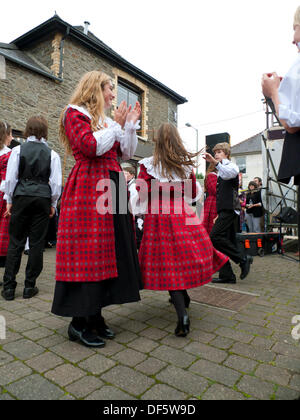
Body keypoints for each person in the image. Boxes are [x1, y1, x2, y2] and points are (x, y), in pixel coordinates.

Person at [51, 70, 142, 348]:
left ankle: (95, 315)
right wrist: (115, 125)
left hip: (113, 183)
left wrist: (128, 126)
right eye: (109, 88)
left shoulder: (105, 120)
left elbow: (125, 153)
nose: (113, 95)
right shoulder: (74, 112)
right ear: (95, 88)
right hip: (90, 183)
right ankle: (78, 322)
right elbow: (89, 147)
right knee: (90, 249)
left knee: (113, 248)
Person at [136, 123, 229, 338]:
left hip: (159, 215)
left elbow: (141, 192)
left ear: (156, 140)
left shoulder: (147, 165)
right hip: (183, 214)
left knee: (169, 263)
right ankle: (184, 298)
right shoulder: (184, 166)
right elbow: (194, 194)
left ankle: (182, 316)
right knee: (182, 257)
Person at [1, 116, 62, 301]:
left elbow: (11, 179)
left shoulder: (17, 150)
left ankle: (9, 288)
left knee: (16, 241)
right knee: (36, 243)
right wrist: (53, 204)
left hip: (21, 196)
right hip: (43, 197)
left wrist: (9, 200)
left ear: (27, 130)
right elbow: (56, 183)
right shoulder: (52, 154)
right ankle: (29, 286)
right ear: (45, 131)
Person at [204, 143, 253, 284]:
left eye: (219, 152)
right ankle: (228, 275)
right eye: (215, 152)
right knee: (221, 241)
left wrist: (215, 163)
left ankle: (243, 259)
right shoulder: (220, 170)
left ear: (226, 153)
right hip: (224, 210)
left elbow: (230, 174)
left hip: (231, 209)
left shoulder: (231, 166)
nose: (217, 154)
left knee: (215, 237)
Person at [0, 122, 13, 287]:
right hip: (4, 197)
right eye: (10, 134)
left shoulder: (10, 153)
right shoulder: (11, 155)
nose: (11, 137)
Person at [123, 165, 144, 250]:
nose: (123, 176)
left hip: (135, 218)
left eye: (125, 173)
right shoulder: (127, 185)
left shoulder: (133, 186)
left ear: (132, 175)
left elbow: (132, 204)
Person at [202, 163, 218, 234]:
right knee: (211, 224)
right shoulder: (212, 175)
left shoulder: (212, 175)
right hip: (213, 201)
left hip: (213, 200)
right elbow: (215, 190)